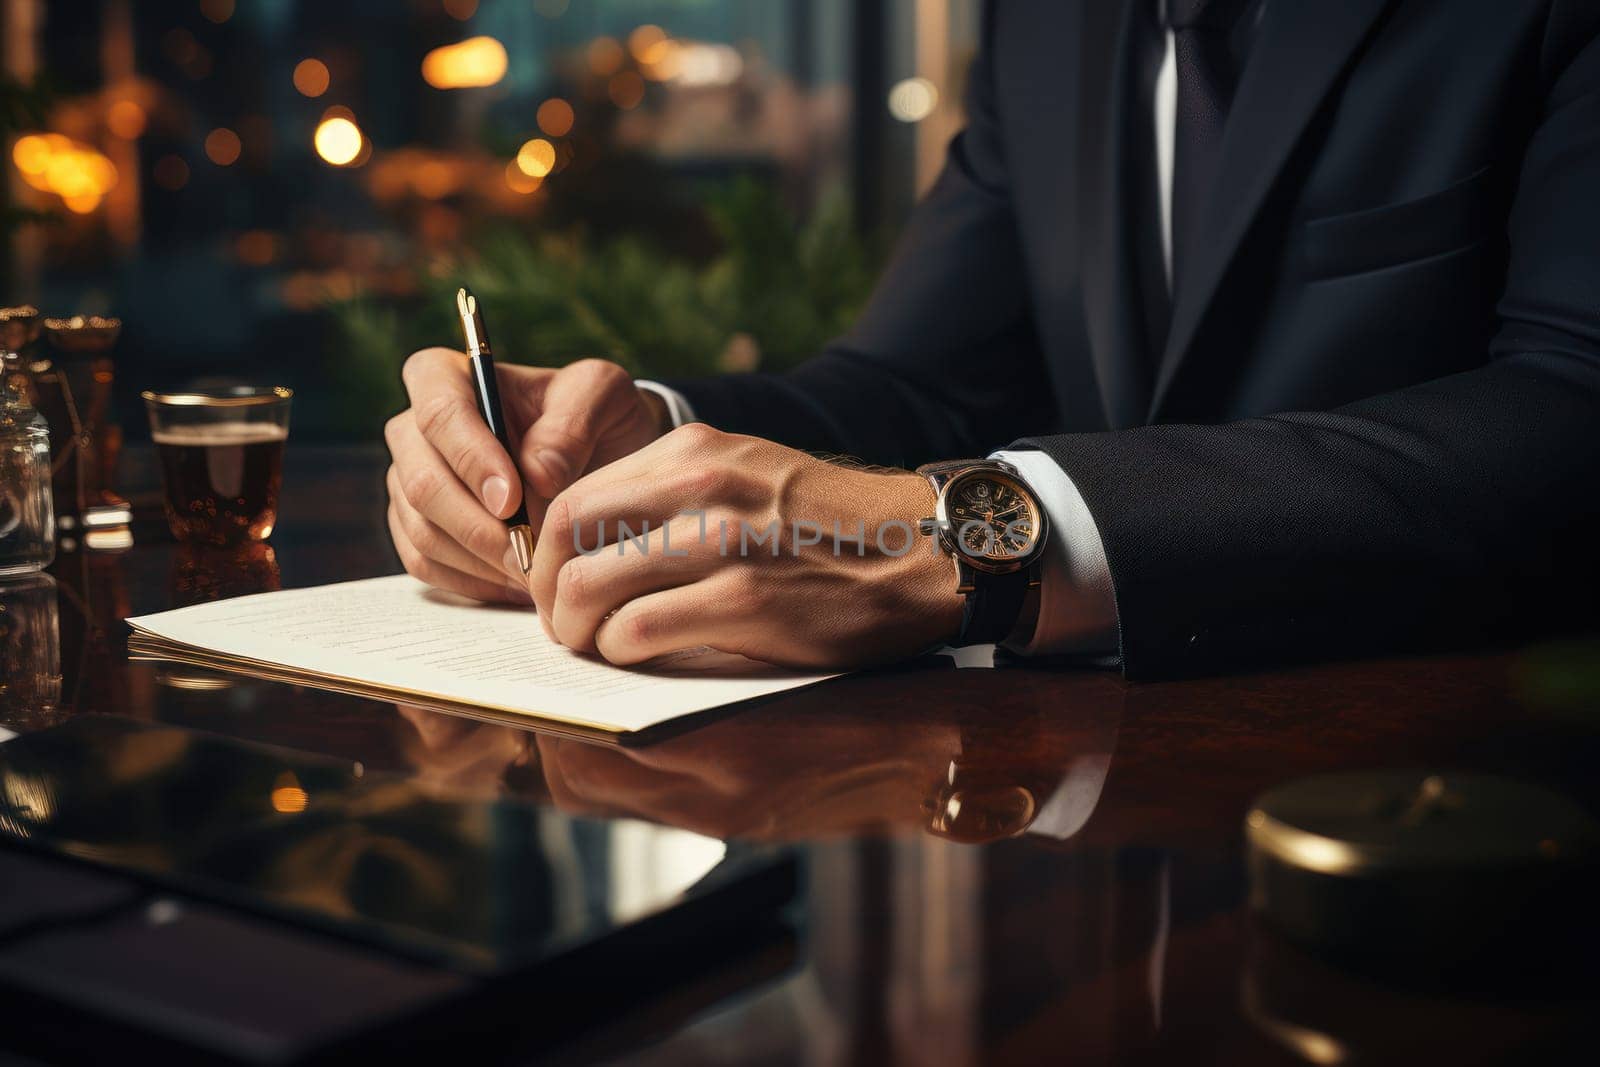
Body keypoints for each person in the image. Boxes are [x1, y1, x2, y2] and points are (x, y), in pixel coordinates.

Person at [384, 0, 1600, 679]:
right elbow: (916, 379)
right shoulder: (1045, 28)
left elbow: (1571, 406)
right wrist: (630, 441)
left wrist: (977, 541)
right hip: (1098, 834)